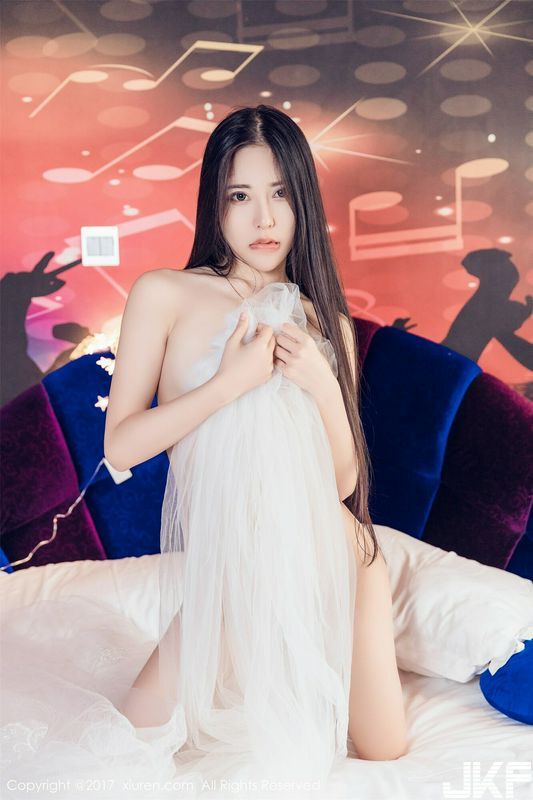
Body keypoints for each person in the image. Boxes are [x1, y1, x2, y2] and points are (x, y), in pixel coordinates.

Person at [1, 105, 407, 800]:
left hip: (341, 555)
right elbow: (122, 443)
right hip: (236, 565)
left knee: (384, 749)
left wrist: (320, 383)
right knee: (118, 752)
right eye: (239, 196)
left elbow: (339, 482)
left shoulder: (326, 321)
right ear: (214, 205)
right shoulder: (166, 293)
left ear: (303, 202)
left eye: (280, 194)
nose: (263, 218)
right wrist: (227, 385)